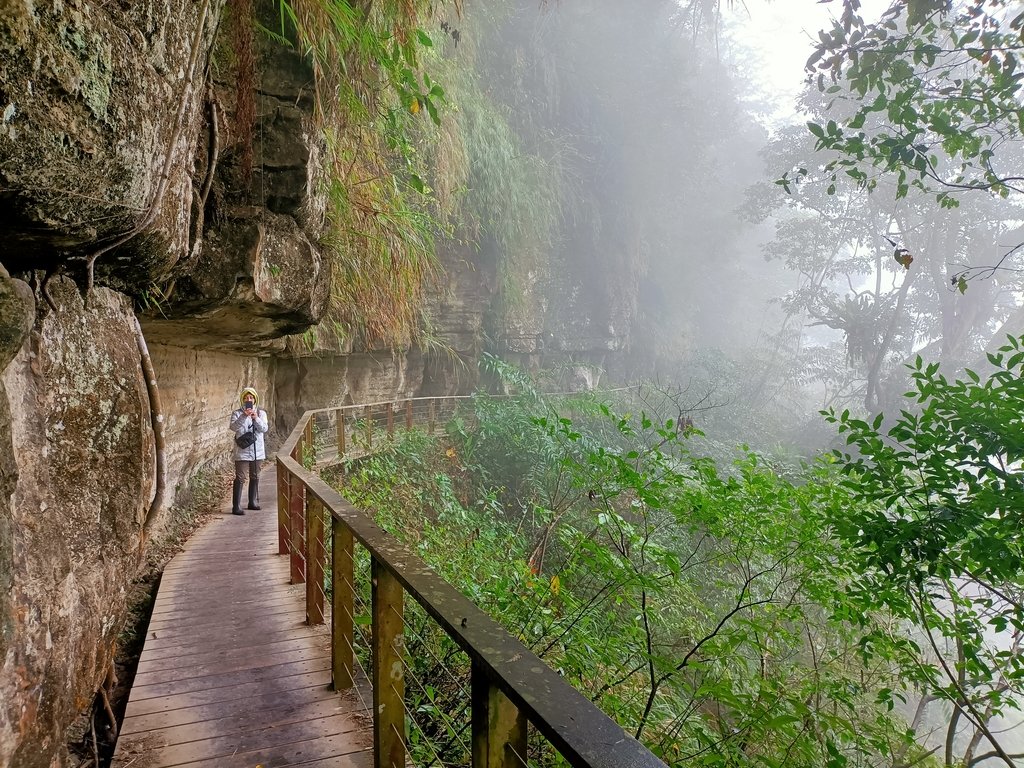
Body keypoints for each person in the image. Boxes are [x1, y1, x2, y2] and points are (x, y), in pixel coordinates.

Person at [229, 387, 269, 515]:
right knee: (240, 477)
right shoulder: (236, 413)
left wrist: (255, 418)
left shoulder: (261, 413)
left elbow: (264, 429)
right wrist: (243, 416)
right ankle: (236, 506)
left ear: (255, 399)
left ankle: (252, 502)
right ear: (242, 399)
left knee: (255, 475)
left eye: (251, 398)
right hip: (242, 450)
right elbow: (233, 427)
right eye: (246, 398)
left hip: (257, 450)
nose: (249, 400)